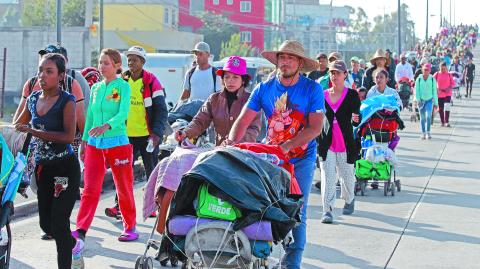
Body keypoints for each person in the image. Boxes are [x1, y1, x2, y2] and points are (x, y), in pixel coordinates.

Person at [225, 40, 325, 269]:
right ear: (277, 61)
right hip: (270, 157)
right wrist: (230, 143)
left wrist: (288, 146)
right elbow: (243, 120)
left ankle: (292, 262)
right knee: (259, 204)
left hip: (301, 158)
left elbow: (315, 128)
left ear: (300, 63)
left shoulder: (312, 89)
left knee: (297, 210)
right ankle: (259, 255)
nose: (286, 62)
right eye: (282, 57)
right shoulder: (264, 88)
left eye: (291, 58)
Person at [12, 46, 86, 241]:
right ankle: (58, 230)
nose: (42, 75)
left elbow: (74, 130)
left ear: (61, 74)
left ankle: (70, 245)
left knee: (59, 215)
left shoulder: (70, 90)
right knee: (46, 223)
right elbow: (18, 124)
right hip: (42, 165)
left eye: (48, 71)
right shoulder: (33, 93)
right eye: (40, 70)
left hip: (64, 165)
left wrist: (85, 142)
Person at [73, 48, 137, 265]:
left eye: (106, 63)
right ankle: (81, 229)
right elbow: (90, 115)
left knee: (123, 186)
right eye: (100, 62)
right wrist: (84, 140)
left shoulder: (123, 87)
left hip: (117, 143)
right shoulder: (97, 88)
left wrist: (107, 126)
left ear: (117, 65)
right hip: (94, 145)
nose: (101, 67)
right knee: (90, 189)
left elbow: (123, 113)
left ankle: (130, 226)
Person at [104, 46, 168, 219]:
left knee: (151, 172)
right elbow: (112, 103)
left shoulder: (152, 81)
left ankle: (154, 206)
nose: (131, 62)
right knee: (122, 172)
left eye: (135, 59)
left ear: (143, 62)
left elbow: (162, 111)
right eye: (129, 59)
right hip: (126, 136)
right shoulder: (122, 80)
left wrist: (156, 134)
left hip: (147, 136)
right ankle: (119, 207)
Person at [175, 56, 261, 145]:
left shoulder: (252, 100)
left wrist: (234, 141)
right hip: (220, 152)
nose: (230, 81)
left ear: (243, 80)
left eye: (235, 77)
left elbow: (253, 129)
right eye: (227, 77)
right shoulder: (213, 99)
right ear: (223, 79)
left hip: (244, 153)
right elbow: (199, 121)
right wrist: (185, 133)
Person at [317, 60, 360, 224]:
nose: (334, 76)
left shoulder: (352, 95)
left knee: (347, 177)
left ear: (345, 75)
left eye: (337, 73)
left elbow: (357, 120)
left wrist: (356, 119)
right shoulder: (322, 95)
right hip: (326, 144)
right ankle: (327, 210)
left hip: (346, 144)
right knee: (328, 178)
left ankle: (349, 198)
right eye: (332, 73)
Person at [38, 44, 91, 109]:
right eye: (45, 58)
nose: (47, 62)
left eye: (53, 58)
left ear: (65, 60)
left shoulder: (76, 78)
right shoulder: (39, 78)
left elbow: (84, 107)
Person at [415, 63, 438, 140]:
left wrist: (436, 103)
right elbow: (416, 91)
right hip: (421, 101)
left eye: (427, 70)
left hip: (429, 100)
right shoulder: (418, 79)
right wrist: (418, 100)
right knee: (422, 117)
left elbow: (434, 91)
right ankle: (423, 133)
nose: (426, 71)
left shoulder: (432, 79)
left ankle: (428, 132)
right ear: (422, 70)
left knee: (428, 116)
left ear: (430, 71)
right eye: (424, 70)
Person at [433, 62, 454, 127]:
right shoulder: (437, 74)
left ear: (446, 68)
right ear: (439, 68)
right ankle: (442, 122)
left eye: (444, 69)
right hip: (440, 94)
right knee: (441, 109)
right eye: (442, 69)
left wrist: (449, 88)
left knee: (447, 107)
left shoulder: (449, 74)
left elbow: (452, 83)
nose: (443, 70)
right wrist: (436, 89)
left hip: (447, 93)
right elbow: (432, 82)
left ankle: (447, 121)